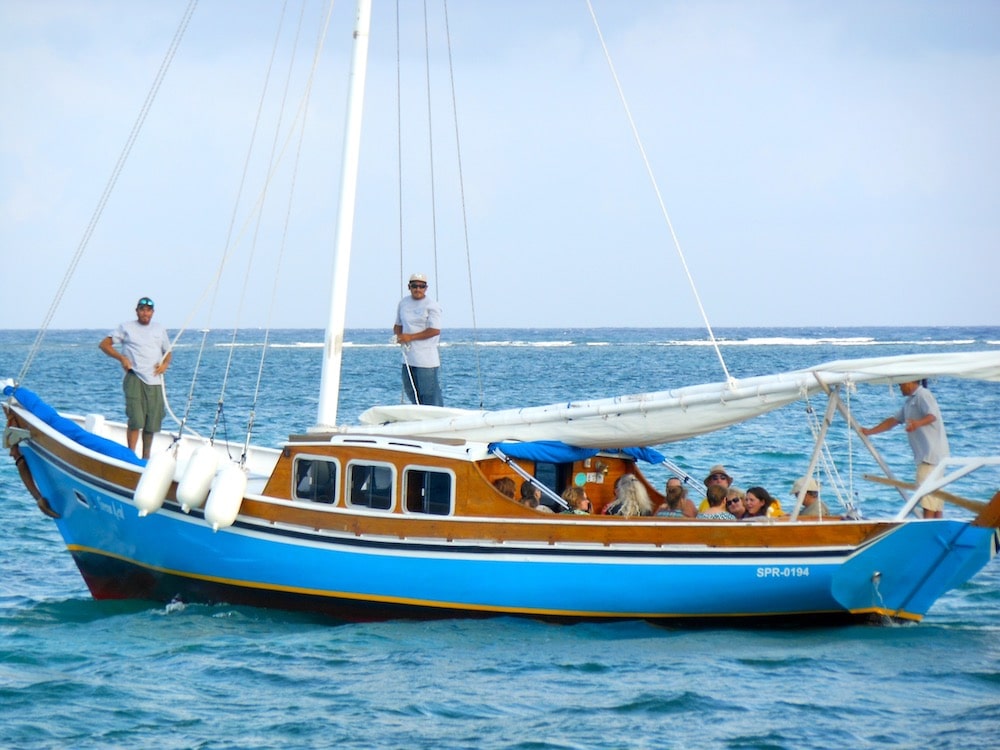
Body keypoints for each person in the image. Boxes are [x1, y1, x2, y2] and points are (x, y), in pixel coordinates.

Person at [862, 380, 950, 519]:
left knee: (927, 496)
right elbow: (894, 420)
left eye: (900, 384)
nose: (899, 388)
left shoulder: (923, 395)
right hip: (931, 456)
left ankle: (927, 530)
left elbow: (932, 415)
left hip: (930, 456)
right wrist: (870, 431)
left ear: (909, 382)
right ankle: (937, 529)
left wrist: (917, 423)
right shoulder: (910, 401)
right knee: (935, 498)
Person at [99, 297, 172, 459]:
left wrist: (164, 365)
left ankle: (145, 457)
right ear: (137, 311)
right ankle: (130, 456)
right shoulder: (126, 327)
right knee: (136, 419)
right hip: (135, 377)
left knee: (152, 421)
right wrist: (122, 358)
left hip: (154, 380)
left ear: (152, 313)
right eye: (142, 309)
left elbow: (168, 353)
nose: (145, 313)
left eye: (148, 310)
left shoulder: (159, 329)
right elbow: (104, 345)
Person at [393, 273, 443, 406]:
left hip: (426, 358)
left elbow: (435, 330)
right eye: (414, 286)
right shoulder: (403, 303)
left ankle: (437, 418)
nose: (418, 289)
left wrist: (410, 337)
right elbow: (398, 325)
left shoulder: (432, 305)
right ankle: (420, 418)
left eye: (421, 286)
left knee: (429, 393)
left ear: (426, 288)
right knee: (410, 390)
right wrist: (399, 336)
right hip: (408, 357)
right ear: (409, 287)